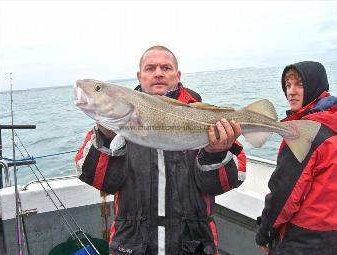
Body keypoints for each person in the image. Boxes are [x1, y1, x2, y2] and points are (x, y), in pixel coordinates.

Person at [75, 45, 243, 254]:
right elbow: (100, 181)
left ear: (178, 74)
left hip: (194, 245)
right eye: (150, 68)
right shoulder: (111, 125)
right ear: (139, 76)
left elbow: (226, 183)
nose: (158, 73)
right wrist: (107, 137)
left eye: (166, 67)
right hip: (131, 245)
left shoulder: (207, 117)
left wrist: (216, 153)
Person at [255, 61, 337, 255]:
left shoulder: (302, 133)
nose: (290, 91)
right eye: (287, 84)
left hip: (303, 241)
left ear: (315, 85)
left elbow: (283, 195)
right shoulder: (332, 122)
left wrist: (264, 234)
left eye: (299, 84)